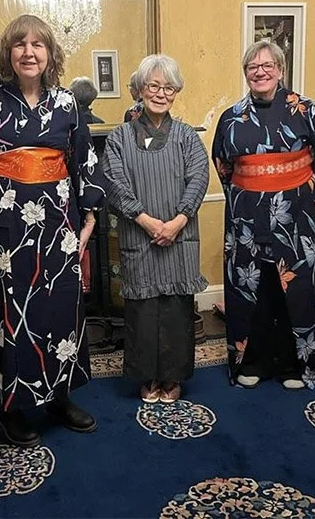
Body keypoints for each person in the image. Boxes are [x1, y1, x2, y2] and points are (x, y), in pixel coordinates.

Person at [0, 14, 104, 446]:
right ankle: (10, 409)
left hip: (57, 220)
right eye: (20, 44)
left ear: (50, 53)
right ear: (8, 52)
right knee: (9, 312)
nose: (29, 52)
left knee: (60, 306)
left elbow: (83, 159)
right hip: (4, 222)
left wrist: (89, 216)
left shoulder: (66, 103)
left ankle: (59, 396)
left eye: (38, 45)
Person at [212, 40, 315, 390]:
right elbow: (223, 168)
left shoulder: (310, 112)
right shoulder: (230, 117)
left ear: (281, 70)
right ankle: (253, 362)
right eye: (252, 67)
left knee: (297, 290)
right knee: (255, 289)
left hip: (297, 216)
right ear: (245, 73)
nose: (260, 72)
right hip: (246, 217)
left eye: (268, 65)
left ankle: (296, 367)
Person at [101, 54, 208, 403]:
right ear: (140, 89)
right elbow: (114, 182)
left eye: (169, 88)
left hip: (180, 236)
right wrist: (146, 221)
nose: (161, 94)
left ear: (176, 92)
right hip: (138, 234)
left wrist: (177, 221)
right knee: (143, 312)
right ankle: (147, 377)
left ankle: (173, 377)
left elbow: (198, 179)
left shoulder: (187, 137)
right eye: (153, 86)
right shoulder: (119, 138)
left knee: (176, 310)